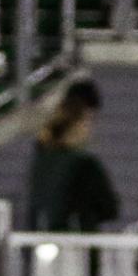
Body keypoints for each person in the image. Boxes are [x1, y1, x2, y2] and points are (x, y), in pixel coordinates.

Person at [26, 79, 118, 233]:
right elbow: (110, 209)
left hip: (45, 238)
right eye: (88, 122)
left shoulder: (41, 159)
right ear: (80, 124)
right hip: (78, 240)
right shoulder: (85, 163)